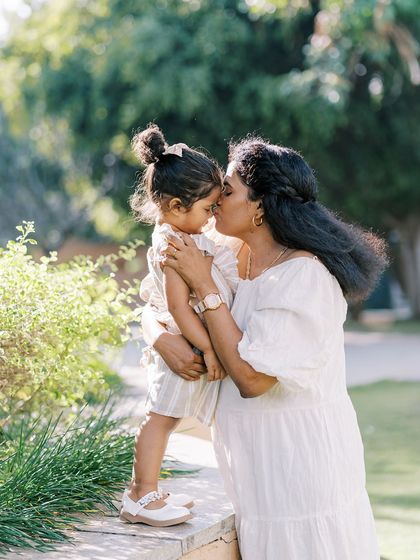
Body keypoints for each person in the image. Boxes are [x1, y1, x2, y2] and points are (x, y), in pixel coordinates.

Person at [143, 137, 388, 558]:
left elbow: (253, 379)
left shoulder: (304, 277)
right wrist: (160, 337)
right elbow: (154, 299)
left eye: (230, 189)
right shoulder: (223, 254)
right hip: (252, 468)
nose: (217, 197)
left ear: (260, 207)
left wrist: (204, 287)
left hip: (300, 469)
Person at [120, 125, 238, 527]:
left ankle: (145, 491)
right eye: (207, 209)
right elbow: (176, 305)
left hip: (187, 339)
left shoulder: (178, 232)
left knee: (167, 417)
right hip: (183, 342)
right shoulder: (173, 242)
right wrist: (208, 347)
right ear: (174, 206)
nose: (212, 217)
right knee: (160, 417)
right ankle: (140, 495)